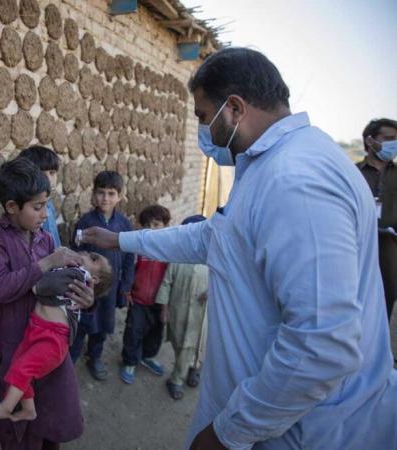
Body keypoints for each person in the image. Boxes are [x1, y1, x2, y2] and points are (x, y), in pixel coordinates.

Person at [79, 47, 397, 449]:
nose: (201, 130)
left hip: (298, 432)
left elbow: (323, 342)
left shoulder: (294, 181)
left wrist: (230, 432)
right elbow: (213, 237)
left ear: (233, 109)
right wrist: (121, 240)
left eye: (201, 115)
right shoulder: (275, 164)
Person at [0, 157, 95, 450]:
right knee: (18, 425)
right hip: (17, 344)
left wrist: (86, 298)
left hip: (51, 342)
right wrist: (44, 264)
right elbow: (0, 288)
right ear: (12, 207)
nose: (45, 214)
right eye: (37, 207)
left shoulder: (43, 239)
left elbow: (63, 286)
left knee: (50, 419)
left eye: (46, 205)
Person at [0, 251, 112, 421]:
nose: (85, 253)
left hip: (53, 339)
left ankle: (6, 407)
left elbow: (43, 286)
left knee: (22, 369)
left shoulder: (78, 274)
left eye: (93, 259)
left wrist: (40, 279)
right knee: (18, 367)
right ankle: (29, 410)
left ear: (94, 279)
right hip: (38, 329)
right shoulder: (72, 273)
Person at [69, 170, 135, 381]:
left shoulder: (124, 225)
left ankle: (94, 357)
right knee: (79, 324)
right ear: (93, 194)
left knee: (102, 326)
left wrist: (125, 286)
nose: (105, 198)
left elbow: (129, 258)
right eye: (100, 192)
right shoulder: (85, 222)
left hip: (111, 287)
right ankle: (69, 361)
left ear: (119, 196)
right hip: (86, 286)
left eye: (111, 193)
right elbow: (75, 254)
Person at [155, 214, 209, 400]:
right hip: (180, 312)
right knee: (182, 345)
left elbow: (224, 284)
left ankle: (195, 367)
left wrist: (212, 293)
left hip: (202, 316)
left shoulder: (213, 260)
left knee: (199, 344)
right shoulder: (177, 260)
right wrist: (164, 308)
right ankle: (176, 379)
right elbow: (166, 283)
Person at [119, 204, 171, 384]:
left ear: (165, 226)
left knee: (156, 331)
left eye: (157, 224)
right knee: (133, 331)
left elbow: (171, 277)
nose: (152, 229)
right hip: (138, 299)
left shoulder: (169, 250)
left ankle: (147, 356)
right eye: (148, 225)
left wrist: (168, 301)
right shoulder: (138, 249)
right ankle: (130, 361)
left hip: (159, 301)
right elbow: (129, 271)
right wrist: (126, 290)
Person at [356, 118, 397, 322]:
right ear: (370, 141)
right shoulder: (352, 173)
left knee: (384, 303)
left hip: (390, 253)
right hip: (357, 250)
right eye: (389, 138)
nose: (394, 144)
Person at [18, 145, 62, 247]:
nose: (49, 179)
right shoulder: (26, 210)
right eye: (41, 174)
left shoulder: (49, 204)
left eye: (52, 173)